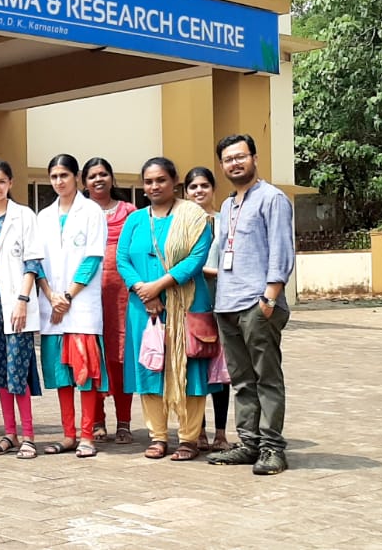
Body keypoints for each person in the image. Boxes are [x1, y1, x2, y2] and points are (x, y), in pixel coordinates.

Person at [117, 157, 219, 461]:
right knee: (150, 368)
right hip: (143, 308)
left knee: (190, 369)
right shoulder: (135, 220)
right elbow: (122, 259)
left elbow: (197, 258)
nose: (154, 186)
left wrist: (159, 286)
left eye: (161, 180)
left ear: (174, 182)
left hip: (187, 303)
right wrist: (143, 291)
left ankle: (189, 438)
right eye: (148, 181)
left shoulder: (193, 217)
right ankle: (158, 436)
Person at [207, 135, 295, 475]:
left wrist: (269, 298)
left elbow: (281, 249)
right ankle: (249, 444)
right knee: (242, 381)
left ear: (254, 158)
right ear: (222, 165)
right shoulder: (228, 205)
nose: (235, 163)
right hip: (228, 304)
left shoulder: (272, 198)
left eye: (240, 156)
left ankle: (273, 449)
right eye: (228, 159)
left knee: (266, 378)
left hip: (258, 304)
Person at [0, 160, 45, 459]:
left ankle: (28, 436)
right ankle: (9, 434)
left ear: (10, 183)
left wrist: (23, 300)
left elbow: (32, 262)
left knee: (17, 372)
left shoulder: (24, 216)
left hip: (15, 306)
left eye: (1, 181)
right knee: (1, 373)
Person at [36, 154, 109, 459]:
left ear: (76, 177)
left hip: (80, 306)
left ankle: (87, 435)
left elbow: (92, 258)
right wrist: (50, 294)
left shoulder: (91, 211)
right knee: (62, 375)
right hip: (52, 304)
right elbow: (35, 261)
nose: (59, 181)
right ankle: (69, 435)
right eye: (54, 176)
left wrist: (66, 296)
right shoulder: (43, 217)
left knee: (86, 372)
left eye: (64, 175)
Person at [82, 157, 137, 445]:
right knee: (93, 355)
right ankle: (97, 421)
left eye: (103, 174)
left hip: (122, 296)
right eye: (92, 176)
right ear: (84, 182)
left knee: (119, 357)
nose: (98, 179)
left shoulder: (130, 212)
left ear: (112, 178)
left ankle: (124, 422)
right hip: (87, 294)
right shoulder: (79, 212)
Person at [186, 166, 232, 452]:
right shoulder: (181, 224)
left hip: (223, 303)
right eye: (193, 186)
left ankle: (221, 433)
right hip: (192, 304)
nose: (199, 191)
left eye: (204, 185)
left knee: (221, 371)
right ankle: (198, 430)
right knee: (196, 366)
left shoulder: (225, 221)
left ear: (213, 189)